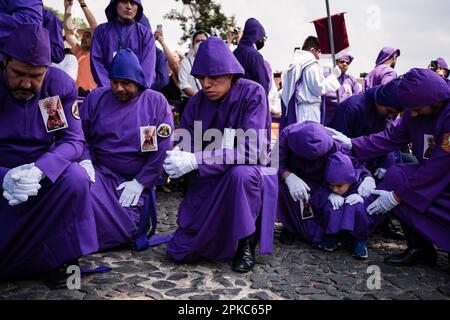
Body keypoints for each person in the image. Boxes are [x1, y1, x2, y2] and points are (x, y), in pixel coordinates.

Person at [164, 37, 277, 273]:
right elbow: (186, 143)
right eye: (201, 78)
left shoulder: (253, 94)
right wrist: (177, 156)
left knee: (241, 174)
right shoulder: (196, 103)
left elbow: (252, 150)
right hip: (208, 176)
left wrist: (197, 159)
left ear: (231, 74)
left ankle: (246, 241)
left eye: (213, 78)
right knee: (180, 251)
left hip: (245, 171)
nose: (206, 84)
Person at [0, 24, 98, 283]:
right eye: (19, 73)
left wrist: (41, 169)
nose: (26, 83)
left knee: (75, 178)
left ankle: (60, 258)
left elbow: (73, 140)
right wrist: (4, 177)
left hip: (39, 172)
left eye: (36, 76)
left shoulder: (54, 87)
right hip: (2, 172)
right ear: (5, 61)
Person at [329, 68, 450, 266]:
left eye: (418, 109)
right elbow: (391, 137)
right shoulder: (414, 110)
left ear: (434, 101)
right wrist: (354, 144)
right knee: (397, 175)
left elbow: (441, 164)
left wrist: (397, 196)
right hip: (429, 175)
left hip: (443, 174)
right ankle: (420, 248)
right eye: (409, 109)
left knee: (402, 190)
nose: (413, 114)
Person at [79, 48, 173, 251]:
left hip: (134, 180)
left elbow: (163, 149)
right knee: (77, 191)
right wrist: (85, 161)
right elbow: (81, 135)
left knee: (125, 229)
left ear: (138, 81)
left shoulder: (155, 102)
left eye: (126, 83)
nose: (119, 88)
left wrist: (141, 182)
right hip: (100, 175)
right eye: (114, 82)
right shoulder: (96, 98)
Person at [276, 121, 374, 246]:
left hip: (325, 185)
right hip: (295, 182)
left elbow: (352, 165)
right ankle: (291, 226)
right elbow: (273, 163)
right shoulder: (286, 136)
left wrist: (367, 177)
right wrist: (287, 176)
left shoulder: (335, 143)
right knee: (279, 187)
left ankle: (332, 233)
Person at [312, 151, 371, 259]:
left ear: (350, 180)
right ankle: (331, 236)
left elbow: (372, 202)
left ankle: (359, 240)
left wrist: (362, 198)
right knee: (330, 206)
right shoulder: (329, 187)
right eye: (331, 186)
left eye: (339, 185)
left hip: (355, 224)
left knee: (357, 207)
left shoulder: (360, 184)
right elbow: (317, 198)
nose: (335, 189)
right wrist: (328, 195)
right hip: (334, 223)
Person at [90, 0, 156, 88]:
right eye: (124, 2)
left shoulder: (146, 34)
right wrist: (110, 88)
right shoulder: (101, 31)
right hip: (107, 91)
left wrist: (137, 89)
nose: (129, 7)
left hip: (136, 93)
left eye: (133, 3)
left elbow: (148, 68)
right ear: (115, 5)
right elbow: (96, 62)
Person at [280, 36, 341, 129]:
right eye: (319, 51)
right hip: (309, 111)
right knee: (310, 139)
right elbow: (319, 88)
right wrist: (333, 76)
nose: (319, 56)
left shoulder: (295, 62)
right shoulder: (310, 63)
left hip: (299, 109)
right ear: (312, 50)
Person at [64, 0, 98, 95]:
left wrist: (82, 4)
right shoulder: (79, 50)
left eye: (88, 36)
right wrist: (68, 7)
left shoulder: (97, 52)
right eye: (83, 36)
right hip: (75, 94)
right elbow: (69, 33)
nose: (83, 38)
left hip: (91, 95)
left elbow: (94, 27)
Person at [233, 18, 270, 95]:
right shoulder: (254, 55)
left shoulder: (233, 54)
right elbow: (263, 83)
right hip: (251, 101)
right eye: (263, 38)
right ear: (258, 36)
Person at [323, 54, 361, 125]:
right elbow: (326, 94)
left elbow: (358, 95)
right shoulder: (327, 76)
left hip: (345, 118)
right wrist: (344, 100)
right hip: (328, 118)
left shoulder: (350, 79)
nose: (344, 64)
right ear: (336, 63)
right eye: (342, 61)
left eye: (347, 63)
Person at [178, 30, 208, 114]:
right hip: (190, 103)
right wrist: (201, 98)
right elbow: (184, 84)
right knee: (195, 127)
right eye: (197, 41)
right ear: (193, 44)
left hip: (209, 104)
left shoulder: (212, 61)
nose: (200, 43)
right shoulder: (186, 61)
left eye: (203, 41)